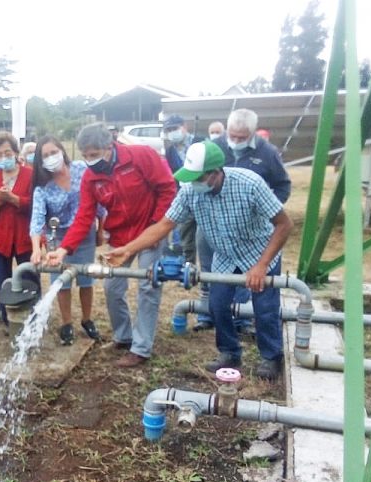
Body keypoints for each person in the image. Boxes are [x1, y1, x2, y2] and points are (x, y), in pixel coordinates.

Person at [104, 141, 293, 381]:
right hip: (224, 254)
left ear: (215, 173)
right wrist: (127, 250)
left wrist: (262, 265)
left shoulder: (250, 184)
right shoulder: (190, 191)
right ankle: (230, 352)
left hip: (260, 250)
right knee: (217, 303)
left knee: (264, 307)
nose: (193, 183)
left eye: (198, 177)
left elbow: (285, 224)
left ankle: (271, 356)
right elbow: (164, 225)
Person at [46, 123, 176, 367]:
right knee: (112, 288)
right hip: (119, 237)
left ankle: (141, 348)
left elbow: (167, 188)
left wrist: (158, 225)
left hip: (149, 232)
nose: (89, 161)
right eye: (84, 156)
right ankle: (123, 336)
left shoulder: (141, 156)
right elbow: (84, 216)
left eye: (94, 155)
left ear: (110, 146)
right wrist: (64, 248)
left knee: (148, 287)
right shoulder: (90, 177)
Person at [196, 109, 291, 334]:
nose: (236, 141)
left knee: (251, 278)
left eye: (242, 137)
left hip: (251, 229)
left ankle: (243, 319)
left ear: (252, 133)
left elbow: (282, 185)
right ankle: (207, 314)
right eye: (233, 135)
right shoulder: (215, 148)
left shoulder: (267, 153)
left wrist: (266, 208)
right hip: (214, 222)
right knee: (211, 271)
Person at [30, 135, 104, 345]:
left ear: (62, 151)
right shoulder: (42, 187)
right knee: (61, 282)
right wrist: (36, 248)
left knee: (86, 278)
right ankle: (66, 323)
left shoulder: (82, 169)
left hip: (86, 233)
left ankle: (87, 319)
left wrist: (101, 230)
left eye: (54, 152)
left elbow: (99, 201)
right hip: (59, 237)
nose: (51, 157)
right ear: (40, 161)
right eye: (46, 155)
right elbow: (36, 219)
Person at [0, 132, 35, 326]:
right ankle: (7, 317)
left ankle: (32, 316)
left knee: (28, 277)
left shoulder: (30, 175)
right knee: (1, 279)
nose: (4, 157)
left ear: (16, 153)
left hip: (24, 237)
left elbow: (37, 204)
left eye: (7, 152)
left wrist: (14, 199)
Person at [162, 114, 198, 263]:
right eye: (168, 130)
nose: (172, 132)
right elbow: (174, 175)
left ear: (184, 127)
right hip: (184, 196)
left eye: (174, 128)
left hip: (204, 192)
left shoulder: (200, 142)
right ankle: (189, 267)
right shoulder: (170, 150)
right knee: (185, 233)